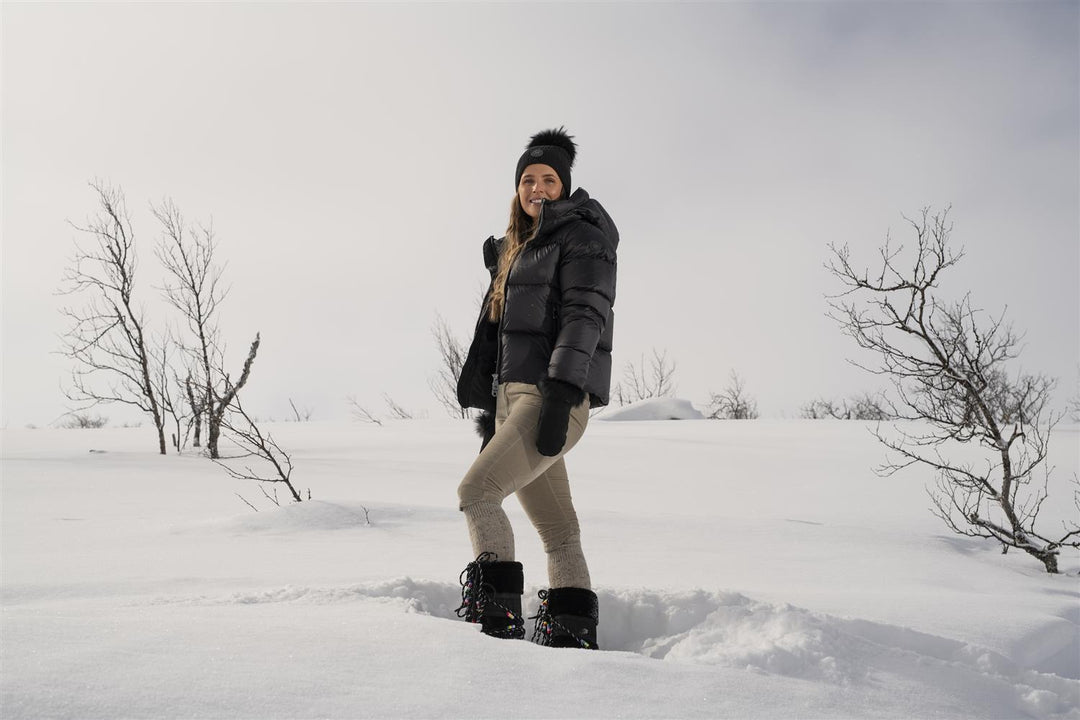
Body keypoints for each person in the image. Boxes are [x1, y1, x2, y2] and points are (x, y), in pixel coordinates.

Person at [454, 127, 618, 649]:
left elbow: (584, 318)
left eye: (549, 179)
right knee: (558, 530)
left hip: (550, 397)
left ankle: (493, 627)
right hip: (513, 401)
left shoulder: (582, 238)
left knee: (477, 492)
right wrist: (491, 412)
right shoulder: (517, 249)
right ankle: (572, 631)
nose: (537, 188)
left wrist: (563, 395)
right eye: (528, 179)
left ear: (565, 187)